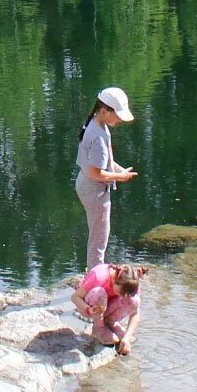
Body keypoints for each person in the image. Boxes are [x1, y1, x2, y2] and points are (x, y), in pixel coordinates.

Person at [74, 85, 136, 269]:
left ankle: (93, 276)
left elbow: (104, 162)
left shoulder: (95, 123)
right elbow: (95, 172)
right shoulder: (99, 136)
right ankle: (94, 282)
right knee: (99, 239)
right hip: (94, 191)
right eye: (117, 114)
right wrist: (119, 177)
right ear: (104, 110)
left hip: (86, 185)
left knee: (98, 235)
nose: (119, 119)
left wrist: (120, 170)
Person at [72, 261, 149, 355]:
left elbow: (135, 313)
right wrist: (88, 309)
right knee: (100, 292)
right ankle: (98, 327)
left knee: (134, 300)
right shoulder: (99, 276)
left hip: (106, 305)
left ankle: (109, 323)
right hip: (89, 304)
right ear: (114, 279)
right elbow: (75, 297)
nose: (122, 297)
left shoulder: (131, 283)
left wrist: (126, 337)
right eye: (120, 292)